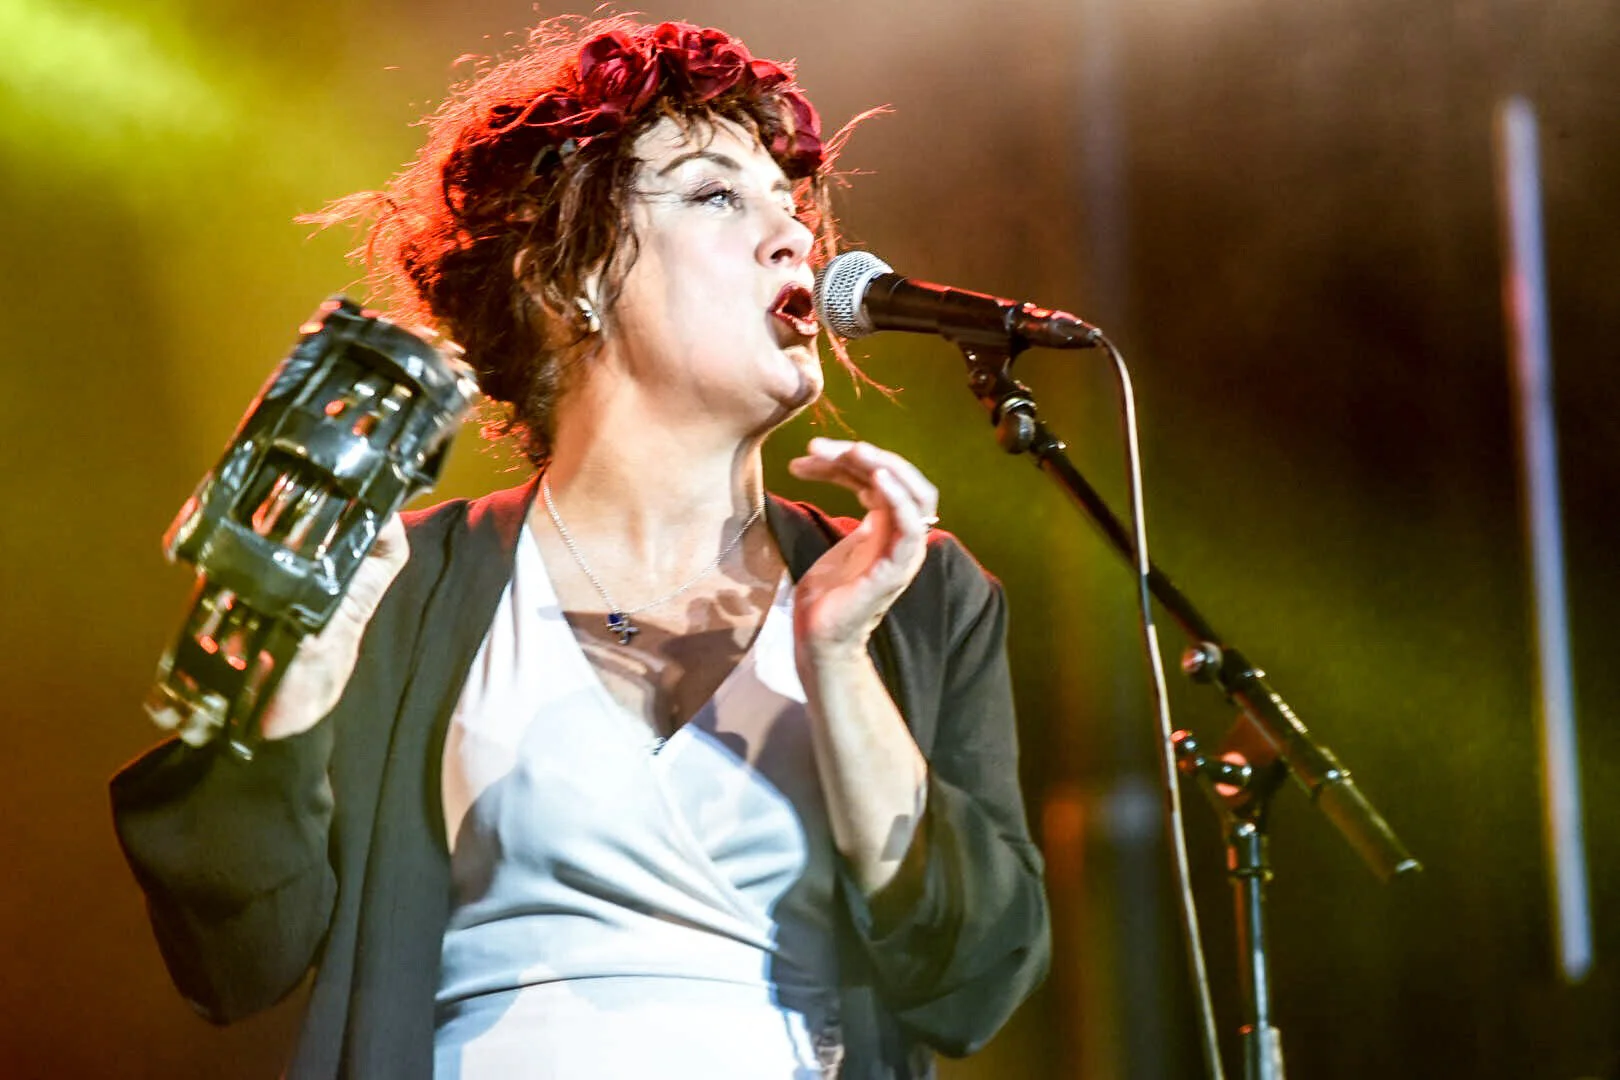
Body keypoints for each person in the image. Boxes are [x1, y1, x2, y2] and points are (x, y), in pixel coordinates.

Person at [112, 16, 1049, 1079]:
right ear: (568, 282)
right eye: (714, 196)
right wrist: (298, 692)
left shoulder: (913, 598)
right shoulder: (404, 587)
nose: (797, 241)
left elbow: (975, 981)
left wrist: (836, 661)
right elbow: (237, 958)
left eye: (793, 210)